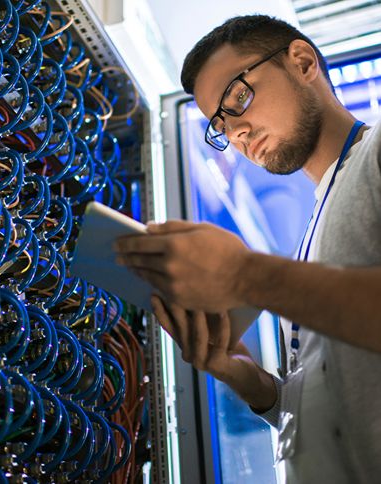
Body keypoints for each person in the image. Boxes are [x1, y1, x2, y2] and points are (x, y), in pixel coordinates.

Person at [114, 14, 381, 483]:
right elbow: (334, 402)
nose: (234, 132)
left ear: (301, 62)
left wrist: (246, 275)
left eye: (238, 96)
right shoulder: (310, 239)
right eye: (219, 123)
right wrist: (250, 381)